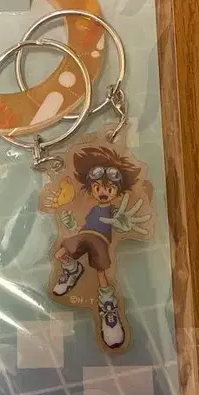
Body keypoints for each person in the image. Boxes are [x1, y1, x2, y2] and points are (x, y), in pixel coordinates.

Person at [53, 146, 150, 349]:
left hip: (100, 242)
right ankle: (73, 270)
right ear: (92, 190)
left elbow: (118, 223)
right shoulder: (93, 209)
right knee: (61, 252)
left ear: (117, 191)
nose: (103, 192)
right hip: (85, 235)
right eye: (98, 188)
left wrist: (123, 224)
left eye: (109, 189)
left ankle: (108, 308)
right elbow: (82, 226)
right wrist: (70, 223)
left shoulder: (113, 211)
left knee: (101, 273)